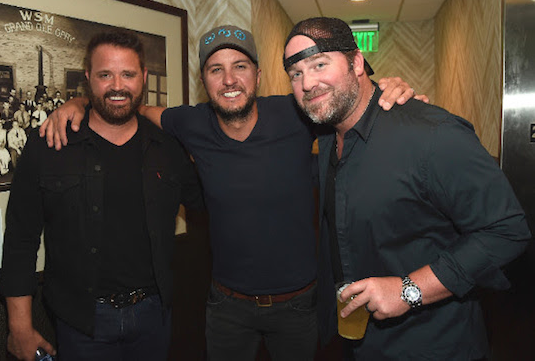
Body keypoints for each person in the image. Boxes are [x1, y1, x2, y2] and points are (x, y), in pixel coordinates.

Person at [41, 25, 420, 361]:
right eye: (215, 69)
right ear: (203, 80)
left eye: (240, 66)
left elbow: (348, 99)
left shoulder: (298, 112)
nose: (229, 80)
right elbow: (136, 106)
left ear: (257, 74)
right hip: (226, 308)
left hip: (299, 306)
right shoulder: (190, 122)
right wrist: (78, 102)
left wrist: (388, 90)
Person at [283, 17, 532, 360]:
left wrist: (409, 289)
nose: (307, 82)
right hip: (357, 343)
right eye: (295, 73)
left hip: (433, 345)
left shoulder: (432, 134)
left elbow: (507, 230)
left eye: (319, 64)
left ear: (357, 62)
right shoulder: (326, 140)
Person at [0, 29, 203, 361]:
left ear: (144, 78)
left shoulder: (169, 147)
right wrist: (20, 327)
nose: (118, 85)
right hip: (81, 321)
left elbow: (208, 203)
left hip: (155, 316)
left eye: (128, 74)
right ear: (88, 79)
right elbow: (21, 237)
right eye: (105, 74)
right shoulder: (49, 144)